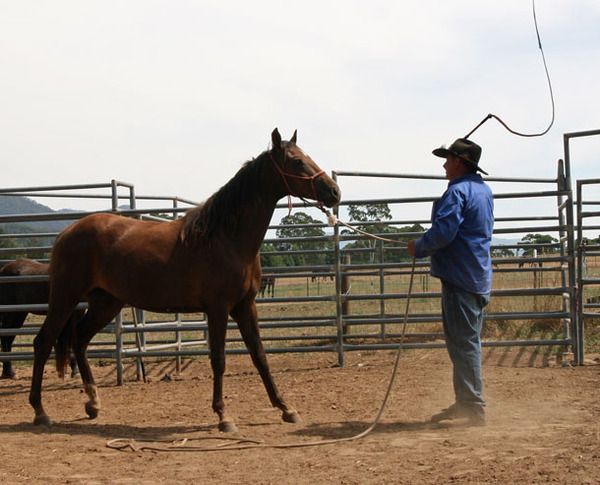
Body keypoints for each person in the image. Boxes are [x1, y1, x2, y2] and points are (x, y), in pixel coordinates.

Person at [407, 137, 494, 426]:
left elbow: (444, 232)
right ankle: (466, 402)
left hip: (460, 276)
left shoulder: (457, 192)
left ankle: (473, 407)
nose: (444, 165)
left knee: (464, 345)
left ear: (459, 162)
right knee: (465, 343)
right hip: (476, 274)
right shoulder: (483, 191)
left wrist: (419, 246)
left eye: (448, 159)